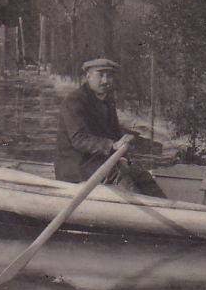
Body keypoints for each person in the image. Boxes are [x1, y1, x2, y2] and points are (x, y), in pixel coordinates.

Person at [55, 58, 165, 198]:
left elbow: (113, 132)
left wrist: (146, 144)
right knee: (122, 178)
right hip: (76, 166)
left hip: (98, 162)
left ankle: (170, 210)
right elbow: (79, 139)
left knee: (141, 174)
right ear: (88, 76)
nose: (105, 80)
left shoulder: (107, 100)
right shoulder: (74, 101)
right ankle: (147, 214)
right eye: (100, 75)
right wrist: (112, 145)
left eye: (109, 75)